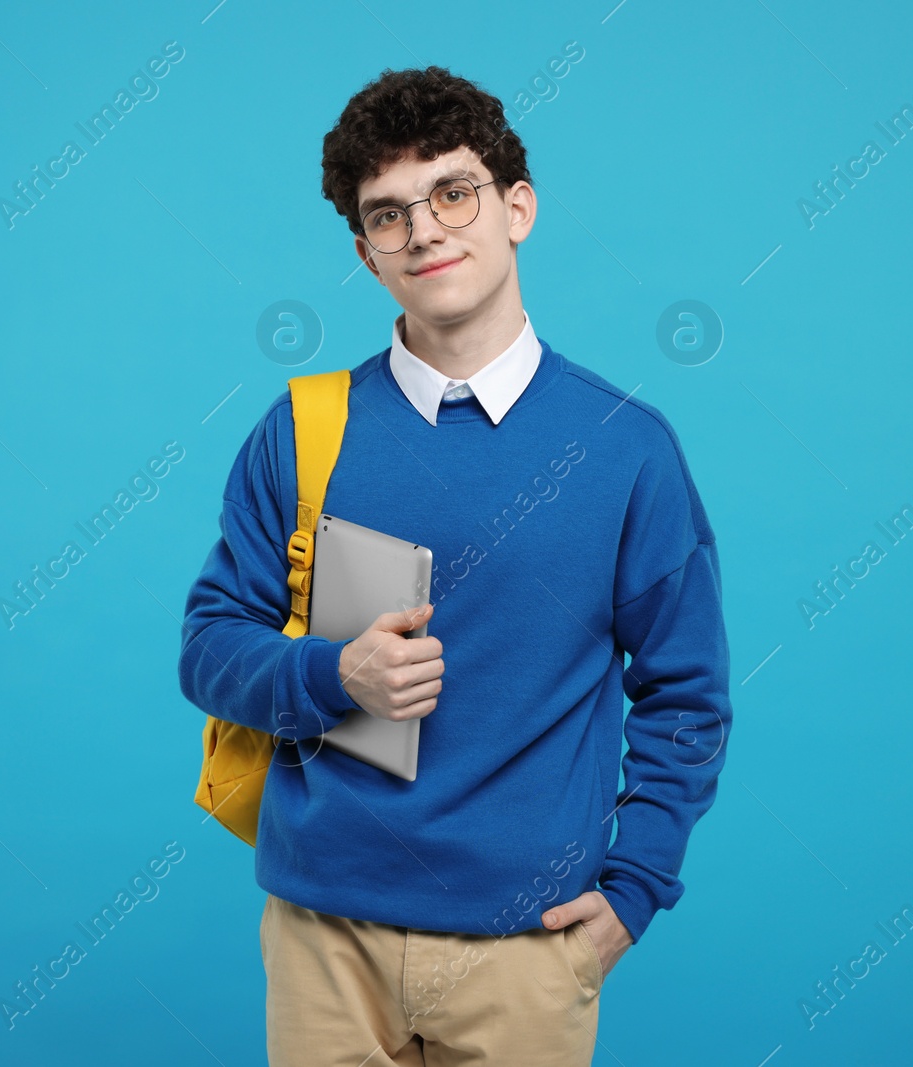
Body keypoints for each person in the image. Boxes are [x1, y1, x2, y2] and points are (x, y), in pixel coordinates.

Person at [177, 64, 733, 1067]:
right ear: (364, 252)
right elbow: (209, 647)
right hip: (323, 940)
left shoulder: (626, 449)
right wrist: (332, 672)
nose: (424, 230)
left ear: (516, 207)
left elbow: (686, 693)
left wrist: (635, 885)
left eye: (451, 192)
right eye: (387, 215)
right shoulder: (304, 430)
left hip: (528, 949)